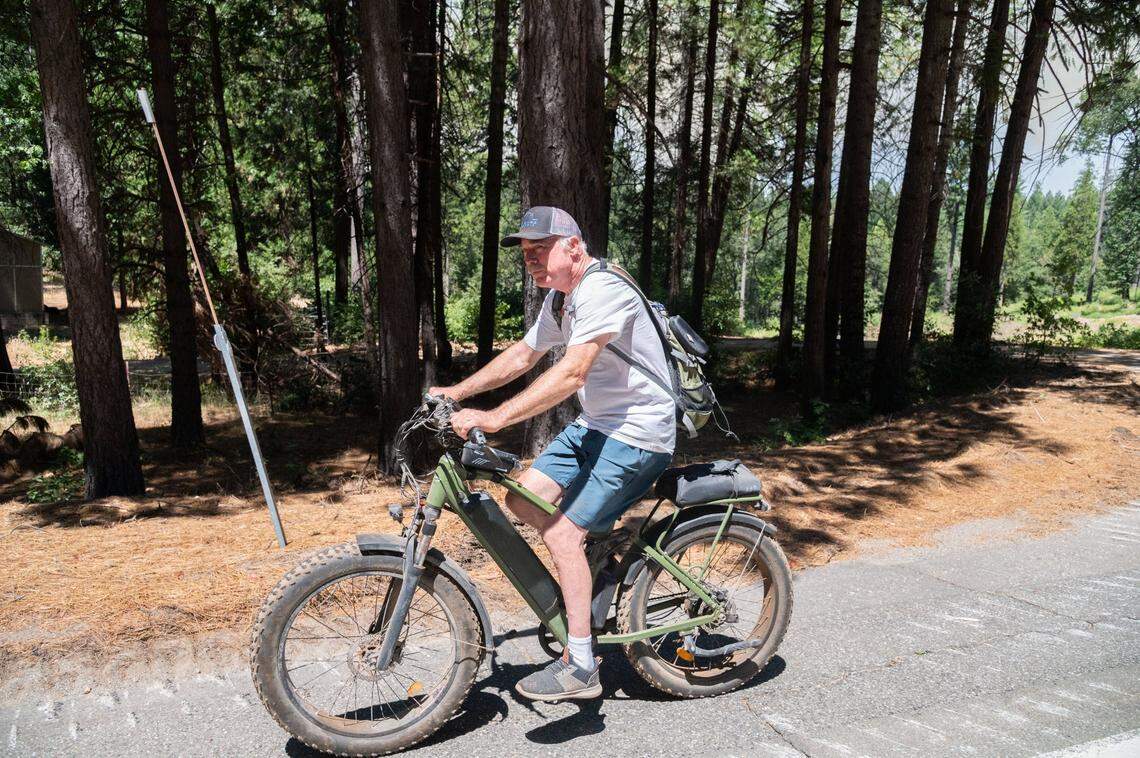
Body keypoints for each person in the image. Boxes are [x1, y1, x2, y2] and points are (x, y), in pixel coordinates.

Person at [429, 206, 675, 702]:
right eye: (526, 255)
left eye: (540, 251)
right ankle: (594, 561)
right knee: (521, 500)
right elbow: (524, 355)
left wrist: (494, 419)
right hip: (599, 425)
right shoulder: (562, 299)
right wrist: (457, 392)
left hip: (639, 431)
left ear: (574, 247)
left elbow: (571, 374)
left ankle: (582, 664)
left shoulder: (602, 289)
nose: (532, 262)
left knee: (563, 533)